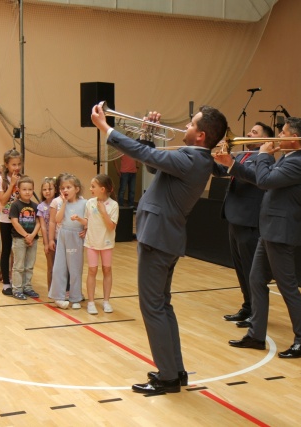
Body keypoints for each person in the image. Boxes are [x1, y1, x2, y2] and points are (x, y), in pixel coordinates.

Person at [91, 103, 228, 395]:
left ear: (201, 136)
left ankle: (167, 376)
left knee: (152, 307)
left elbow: (147, 157)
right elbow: (154, 166)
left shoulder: (192, 158)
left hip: (158, 238)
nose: (186, 127)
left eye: (191, 124)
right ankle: (174, 371)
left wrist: (106, 129)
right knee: (162, 306)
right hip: (165, 237)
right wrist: (148, 134)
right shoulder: (194, 158)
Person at [223, 117, 301, 359]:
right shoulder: (287, 158)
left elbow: (264, 182)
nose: (278, 136)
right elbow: (258, 178)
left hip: (280, 231)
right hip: (269, 229)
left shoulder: (299, 162)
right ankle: (256, 335)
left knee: (288, 288)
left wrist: (263, 155)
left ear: (294, 138)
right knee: (255, 280)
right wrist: (231, 164)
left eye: (283, 132)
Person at [213, 122, 272, 327]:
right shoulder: (242, 155)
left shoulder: (265, 158)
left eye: (254, 132)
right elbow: (219, 170)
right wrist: (208, 151)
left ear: (264, 140)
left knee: (251, 270)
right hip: (234, 217)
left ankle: (256, 313)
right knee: (240, 268)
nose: (248, 133)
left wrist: (231, 162)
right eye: (250, 131)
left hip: (249, 219)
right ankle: (248, 307)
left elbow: (254, 178)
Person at [82, 174, 119, 315]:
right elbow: (87, 221)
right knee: (92, 270)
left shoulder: (113, 205)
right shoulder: (89, 203)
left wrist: (104, 212)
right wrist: (79, 220)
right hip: (91, 241)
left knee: (107, 270)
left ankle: (106, 301)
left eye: (93, 186)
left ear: (102, 189)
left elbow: (111, 226)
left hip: (106, 243)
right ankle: (91, 302)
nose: (90, 189)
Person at [48, 174, 86, 309]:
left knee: (75, 268)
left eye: (68, 187)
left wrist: (86, 229)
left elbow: (88, 221)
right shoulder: (61, 203)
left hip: (76, 237)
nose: (65, 190)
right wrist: (64, 203)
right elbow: (58, 220)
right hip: (63, 235)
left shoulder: (84, 203)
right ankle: (58, 296)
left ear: (77, 189)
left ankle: (75, 297)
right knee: (59, 267)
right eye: (63, 188)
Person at [9, 176, 41, 300]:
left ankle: (27, 287)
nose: (27, 192)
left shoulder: (35, 206)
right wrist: (26, 235)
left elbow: (38, 222)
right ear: (18, 190)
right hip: (19, 239)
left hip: (33, 239)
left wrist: (32, 236)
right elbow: (15, 222)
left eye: (30, 189)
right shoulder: (15, 205)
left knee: (29, 265)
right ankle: (17, 288)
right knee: (19, 266)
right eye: (24, 189)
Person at [0, 149, 22, 296]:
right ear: (6, 164)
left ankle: (18, 281)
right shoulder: (1, 180)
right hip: (6, 220)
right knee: (6, 250)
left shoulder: (22, 178)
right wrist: (12, 185)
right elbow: (3, 201)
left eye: (18, 164)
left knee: (19, 251)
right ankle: (6, 282)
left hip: (20, 220)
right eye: (13, 164)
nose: (16, 167)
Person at [37, 177, 56, 292]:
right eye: (44, 189)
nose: (47, 191)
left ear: (55, 189)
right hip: (48, 240)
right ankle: (51, 290)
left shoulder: (59, 203)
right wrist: (46, 243)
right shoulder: (41, 206)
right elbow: (43, 226)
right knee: (51, 266)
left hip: (60, 238)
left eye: (50, 189)